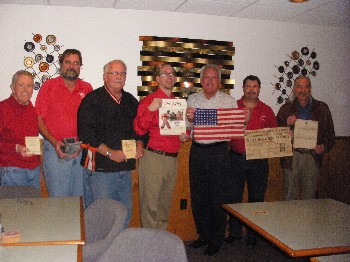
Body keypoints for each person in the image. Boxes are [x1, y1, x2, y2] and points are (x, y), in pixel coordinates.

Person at [186, 64, 247, 256]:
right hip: (197, 151)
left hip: (219, 152)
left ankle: (217, 238)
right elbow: (187, 126)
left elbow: (235, 126)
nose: (210, 81)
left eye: (214, 78)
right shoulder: (192, 99)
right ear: (201, 80)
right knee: (199, 196)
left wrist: (244, 119)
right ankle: (203, 235)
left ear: (219, 81)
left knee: (217, 197)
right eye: (206, 77)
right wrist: (188, 119)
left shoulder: (229, 101)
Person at [78, 59, 145, 227]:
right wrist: (110, 153)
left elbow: (140, 127)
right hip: (101, 169)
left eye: (122, 73)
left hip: (124, 168)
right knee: (101, 216)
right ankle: (99, 251)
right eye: (114, 73)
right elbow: (86, 134)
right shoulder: (92, 100)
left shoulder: (130, 100)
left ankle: (118, 250)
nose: (119, 77)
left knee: (125, 212)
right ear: (105, 77)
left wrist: (140, 144)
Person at [134, 63, 189, 230]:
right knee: (150, 207)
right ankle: (149, 248)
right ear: (157, 79)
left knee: (164, 207)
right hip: (153, 159)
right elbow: (138, 128)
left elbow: (181, 131)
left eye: (172, 74)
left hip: (172, 159)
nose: (170, 77)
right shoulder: (148, 102)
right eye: (165, 74)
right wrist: (151, 109)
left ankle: (160, 243)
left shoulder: (177, 104)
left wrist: (184, 136)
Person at [226, 75, 278, 247]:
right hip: (236, 158)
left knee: (257, 198)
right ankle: (234, 233)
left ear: (259, 89)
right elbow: (226, 130)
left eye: (254, 86)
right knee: (234, 197)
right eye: (248, 86)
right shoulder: (234, 107)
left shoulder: (267, 110)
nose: (251, 89)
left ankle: (253, 235)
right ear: (243, 88)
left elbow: (275, 135)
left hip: (258, 161)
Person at [35, 49, 93, 197]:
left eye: (75, 63)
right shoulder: (49, 86)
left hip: (80, 150)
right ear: (61, 65)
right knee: (59, 201)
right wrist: (55, 143)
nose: (71, 66)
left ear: (80, 66)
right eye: (67, 62)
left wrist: (82, 144)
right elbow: (39, 119)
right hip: (55, 150)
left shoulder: (87, 88)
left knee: (79, 200)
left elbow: (91, 122)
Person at [277, 76, 335, 200]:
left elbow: (330, 136)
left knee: (309, 198)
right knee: (289, 196)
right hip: (291, 157)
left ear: (310, 89)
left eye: (306, 87)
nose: (302, 90)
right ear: (294, 89)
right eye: (299, 87)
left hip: (312, 157)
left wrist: (323, 147)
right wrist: (287, 126)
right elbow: (276, 134)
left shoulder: (322, 108)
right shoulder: (285, 109)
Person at [0, 70, 41, 189]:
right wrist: (16, 148)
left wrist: (39, 166)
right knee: (14, 208)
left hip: (34, 170)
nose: (25, 90)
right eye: (21, 85)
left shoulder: (32, 110)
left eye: (29, 86)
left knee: (34, 208)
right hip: (12, 171)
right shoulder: (3, 109)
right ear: (13, 87)